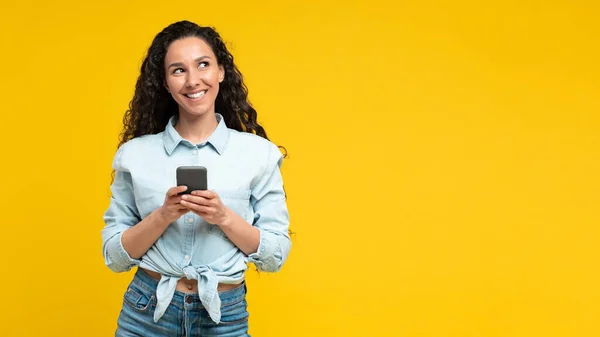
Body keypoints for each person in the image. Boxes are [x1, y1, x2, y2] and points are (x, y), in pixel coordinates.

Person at [101, 20, 291, 337]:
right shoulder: (134, 155)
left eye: (203, 65)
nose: (193, 80)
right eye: (178, 70)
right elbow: (114, 257)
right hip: (146, 312)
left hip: (224, 316)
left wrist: (223, 217)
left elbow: (275, 256)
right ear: (164, 82)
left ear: (220, 71)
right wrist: (163, 215)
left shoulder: (259, 154)